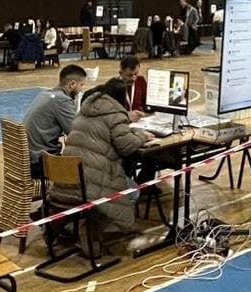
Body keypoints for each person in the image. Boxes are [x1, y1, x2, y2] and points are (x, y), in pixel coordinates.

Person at [61, 77, 155, 235]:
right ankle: (90, 229)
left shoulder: (84, 110)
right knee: (133, 192)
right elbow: (126, 146)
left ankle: (79, 224)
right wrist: (142, 136)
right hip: (92, 180)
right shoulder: (115, 115)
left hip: (68, 175)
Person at [24, 64, 86, 179]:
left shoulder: (45, 94)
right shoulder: (62, 100)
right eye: (81, 85)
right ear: (72, 84)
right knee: (87, 169)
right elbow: (75, 133)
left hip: (28, 159)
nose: (81, 89)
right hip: (40, 164)